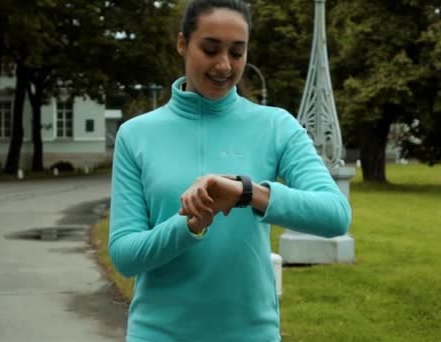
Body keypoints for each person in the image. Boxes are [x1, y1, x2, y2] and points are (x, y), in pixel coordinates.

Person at [108, 0, 352, 341]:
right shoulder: (136, 135)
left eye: (237, 53)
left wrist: (247, 192)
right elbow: (125, 255)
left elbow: (335, 215)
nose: (224, 65)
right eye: (210, 49)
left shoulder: (276, 126)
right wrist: (189, 224)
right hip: (158, 334)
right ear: (182, 44)